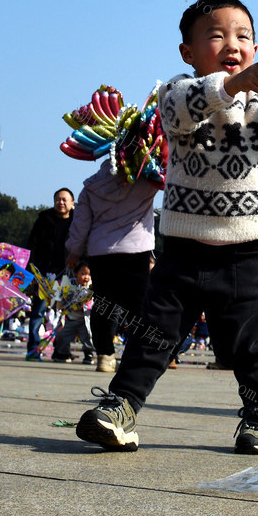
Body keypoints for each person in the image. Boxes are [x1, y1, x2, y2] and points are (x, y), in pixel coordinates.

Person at [75, 0, 258, 454]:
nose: (232, 44)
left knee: (245, 342)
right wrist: (232, 85)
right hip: (183, 244)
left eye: (243, 36)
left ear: (257, 48)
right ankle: (120, 407)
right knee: (153, 332)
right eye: (216, 36)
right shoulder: (177, 91)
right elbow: (184, 106)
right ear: (188, 53)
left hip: (248, 246)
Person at [65, 157, 157, 374]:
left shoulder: (91, 188)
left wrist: (74, 250)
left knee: (103, 304)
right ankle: (134, 354)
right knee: (138, 306)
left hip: (102, 252)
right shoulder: (147, 181)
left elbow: (81, 223)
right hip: (137, 250)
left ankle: (105, 355)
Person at [26, 188, 75, 360]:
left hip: (68, 273)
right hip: (44, 273)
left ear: (72, 203)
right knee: (38, 312)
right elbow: (32, 245)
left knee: (65, 315)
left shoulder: (78, 222)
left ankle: (61, 351)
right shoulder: (43, 220)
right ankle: (32, 350)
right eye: (58, 199)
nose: (61, 203)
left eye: (64, 200)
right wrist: (31, 272)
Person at [52, 260, 94, 364]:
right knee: (62, 336)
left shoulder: (92, 287)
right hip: (69, 319)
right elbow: (60, 299)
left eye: (89, 274)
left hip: (85, 320)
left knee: (88, 337)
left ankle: (88, 354)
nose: (86, 277)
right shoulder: (68, 285)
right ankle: (63, 353)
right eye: (83, 274)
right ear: (76, 273)